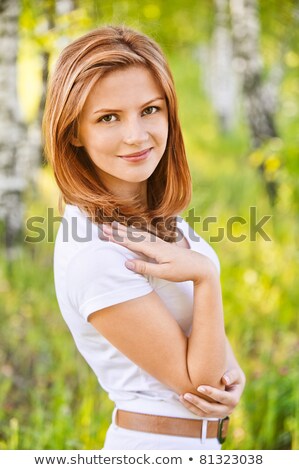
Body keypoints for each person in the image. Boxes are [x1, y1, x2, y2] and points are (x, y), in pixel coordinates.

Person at [43, 25, 245, 450]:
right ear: (74, 132)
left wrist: (233, 369)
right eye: (109, 117)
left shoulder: (153, 215)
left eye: (150, 110)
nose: (136, 135)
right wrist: (206, 278)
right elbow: (199, 384)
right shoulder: (95, 253)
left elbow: (203, 346)